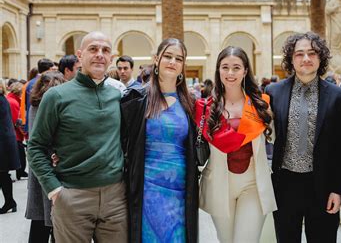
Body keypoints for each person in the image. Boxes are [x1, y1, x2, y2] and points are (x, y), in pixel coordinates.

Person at [28, 31, 127, 242]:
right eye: (93, 49)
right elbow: (36, 146)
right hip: (73, 197)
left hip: (115, 199)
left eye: (105, 50)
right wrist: (54, 189)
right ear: (80, 55)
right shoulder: (56, 96)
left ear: (111, 58)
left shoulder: (118, 96)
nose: (100, 54)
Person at [265, 32, 341, 242]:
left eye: (312, 53)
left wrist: (338, 190)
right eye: (299, 54)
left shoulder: (338, 96)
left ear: (321, 58)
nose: (306, 59)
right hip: (285, 185)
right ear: (291, 59)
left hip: (322, 185)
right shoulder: (273, 92)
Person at [121, 38, 198, 242]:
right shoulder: (136, 98)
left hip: (181, 191)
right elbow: (119, 138)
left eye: (178, 58)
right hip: (147, 189)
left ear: (183, 66)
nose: (173, 61)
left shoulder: (190, 103)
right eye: (168, 56)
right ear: (156, 60)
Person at [196, 46, 277, 242]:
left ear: (245, 71)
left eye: (236, 67)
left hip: (253, 184)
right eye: (225, 67)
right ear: (218, 70)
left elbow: (274, 138)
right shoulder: (207, 107)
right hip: (219, 184)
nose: (230, 73)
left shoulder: (261, 104)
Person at [25, 71, 66, 243]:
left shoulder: (34, 105)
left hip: (39, 171)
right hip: (52, 169)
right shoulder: (50, 105)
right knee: (57, 224)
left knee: (40, 221)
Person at [0, 78, 21, 214]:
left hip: (2, 140)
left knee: (2, 173)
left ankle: (9, 201)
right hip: (5, 139)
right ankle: (10, 201)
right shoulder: (3, 99)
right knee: (2, 173)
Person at [6, 82, 27, 180]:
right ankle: (20, 172)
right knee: (20, 155)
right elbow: (16, 121)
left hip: (13, 133)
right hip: (15, 135)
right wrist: (25, 132)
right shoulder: (13, 102)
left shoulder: (10, 100)